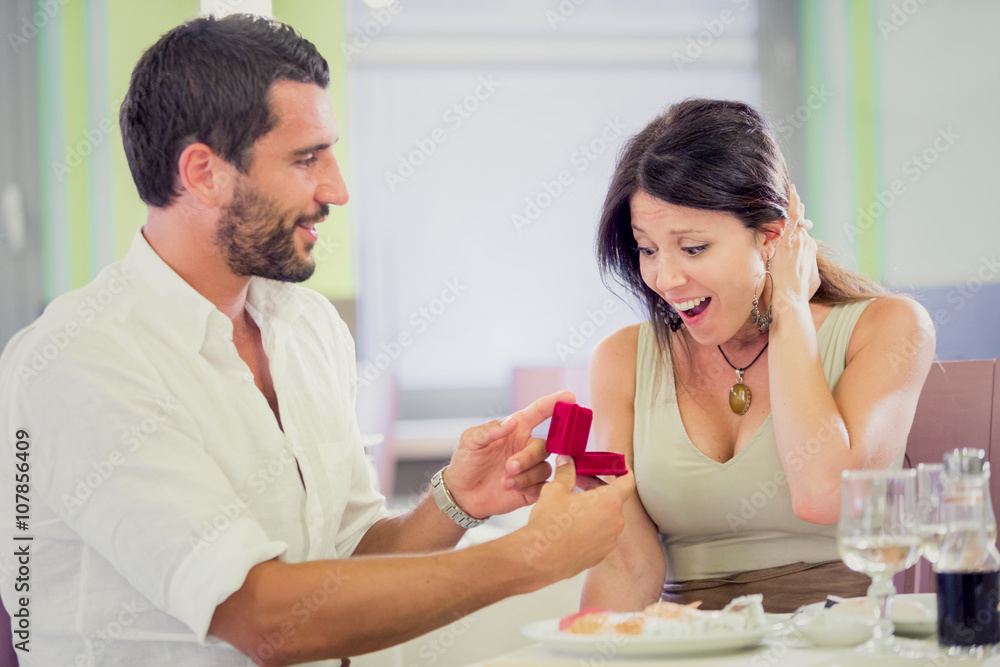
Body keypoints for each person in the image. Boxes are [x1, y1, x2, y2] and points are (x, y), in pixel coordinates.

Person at [0, 14, 633, 666]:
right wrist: (530, 555)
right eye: (307, 159)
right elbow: (266, 618)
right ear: (204, 173)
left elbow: (346, 557)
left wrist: (455, 500)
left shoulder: (305, 325)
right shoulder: (80, 359)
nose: (337, 188)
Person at [580, 99, 935, 614]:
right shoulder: (622, 360)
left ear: (771, 235)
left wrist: (790, 309)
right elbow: (627, 566)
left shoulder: (890, 327)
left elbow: (825, 496)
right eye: (647, 249)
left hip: (836, 642)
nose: (666, 280)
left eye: (694, 248)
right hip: (689, 647)